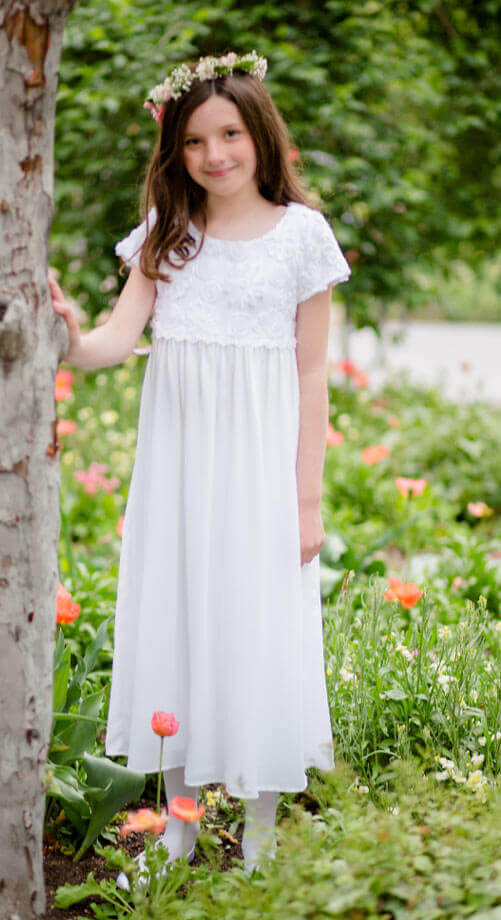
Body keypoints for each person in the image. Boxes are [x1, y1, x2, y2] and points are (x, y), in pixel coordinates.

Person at [50, 49, 352, 888]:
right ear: (174, 153)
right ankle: (179, 833)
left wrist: (305, 503)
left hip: (260, 475)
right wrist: (69, 336)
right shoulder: (166, 233)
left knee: (258, 630)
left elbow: (308, 375)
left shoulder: (301, 237)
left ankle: (259, 839)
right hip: (179, 473)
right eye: (192, 142)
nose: (214, 154)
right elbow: (114, 342)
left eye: (228, 134)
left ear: (258, 134)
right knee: (177, 625)